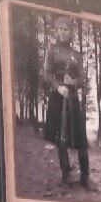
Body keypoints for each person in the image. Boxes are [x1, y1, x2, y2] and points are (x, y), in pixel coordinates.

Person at [41, 17, 91, 190]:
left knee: (81, 137)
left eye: (66, 29)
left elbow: (83, 78)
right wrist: (58, 87)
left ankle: (85, 176)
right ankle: (66, 173)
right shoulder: (52, 50)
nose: (63, 32)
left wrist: (73, 82)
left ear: (71, 32)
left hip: (72, 99)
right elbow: (47, 74)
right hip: (57, 98)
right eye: (60, 29)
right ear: (57, 31)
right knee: (60, 137)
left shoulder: (76, 55)